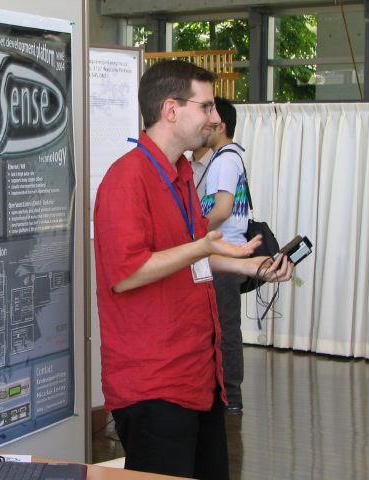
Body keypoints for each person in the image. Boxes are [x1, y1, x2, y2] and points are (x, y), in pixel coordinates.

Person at [93, 60, 293, 480]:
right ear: (171, 109)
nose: (215, 118)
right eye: (205, 107)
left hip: (199, 375)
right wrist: (201, 247)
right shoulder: (125, 180)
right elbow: (127, 274)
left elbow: (189, 254)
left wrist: (250, 265)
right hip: (155, 386)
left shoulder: (182, 174)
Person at [201, 96, 249, 414]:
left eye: (209, 119)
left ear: (221, 126)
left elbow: (221, 210)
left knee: (225, 328)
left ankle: (230, 396)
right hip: (226, 255)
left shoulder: (225, 160)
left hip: (224, 256)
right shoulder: (228, 157)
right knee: (223, 326)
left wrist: (190, 234)